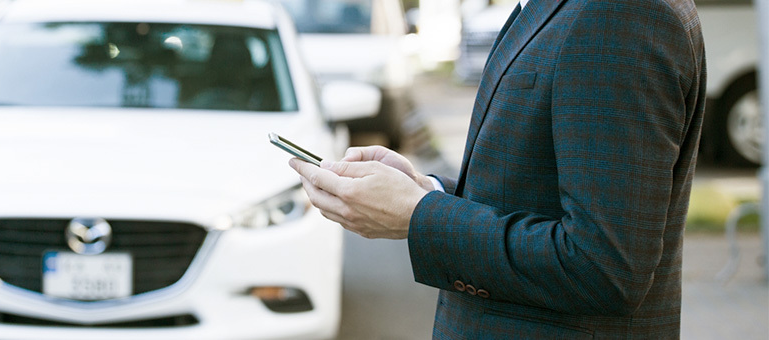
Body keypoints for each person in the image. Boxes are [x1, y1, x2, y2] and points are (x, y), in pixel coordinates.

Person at [289, 0, 706, 337]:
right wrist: (425, 191)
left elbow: (604, 267)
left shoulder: (618, 14)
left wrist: (419, 216)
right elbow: (532, 190)